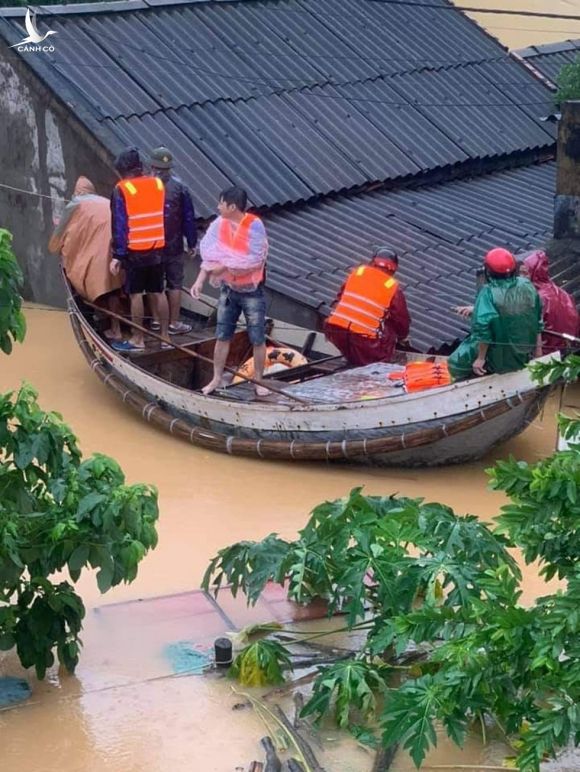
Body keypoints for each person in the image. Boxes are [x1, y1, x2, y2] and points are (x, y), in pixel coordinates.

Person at [190, 186, 269, 396]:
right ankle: (216, 378)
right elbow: (210, 255)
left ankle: (259, 380)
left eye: (221, 203)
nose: (218, 207)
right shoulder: (219, 224)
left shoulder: (254, 226)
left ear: (232, 206)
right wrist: (200, 280)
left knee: (258, 337)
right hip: (229, 289)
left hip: (251, 291)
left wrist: (224, 266)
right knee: (223, 335)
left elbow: (253, 260)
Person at [448, 247, 543, 381]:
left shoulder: (487, 292)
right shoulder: (527, 285)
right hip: (523, 354)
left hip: (499, 358)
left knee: (455, 364)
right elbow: (537, 319)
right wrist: (538, 351)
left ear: (488, 271)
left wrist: (480, 359)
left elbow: (483, 329)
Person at [49, 176, 124, 341]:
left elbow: (61, 234)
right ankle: (119, 323)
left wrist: (55, 244)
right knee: (115, 288)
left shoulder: (75, 205)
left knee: (105, 289)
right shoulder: (105, 201)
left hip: (101, 253)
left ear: (77, 192)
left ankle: (115, 329)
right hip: (119, 250)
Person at [110, 147, 170, 351]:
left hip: (136, 250)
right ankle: (165, 337)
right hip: (157, 248)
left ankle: (138, 339)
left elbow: (120, 225)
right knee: (158, 292)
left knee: (136, 295)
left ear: (123, 170)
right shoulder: (158, 183)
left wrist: (118, 256)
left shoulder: (122, 189)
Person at [324, 247, 411, 366]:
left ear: (373, 262)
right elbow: (401, 321)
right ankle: (379, 365)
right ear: (393, 269)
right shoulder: (391, 286)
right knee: (389, 330)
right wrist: (401, 337)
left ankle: (351, 359)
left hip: (334, 331)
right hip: (364, 340)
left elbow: (340, 297)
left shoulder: (358, 272)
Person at [149, 146, 197, 335]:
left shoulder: (143, 186)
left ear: (151, 166)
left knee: (154, 283)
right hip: (173, 244)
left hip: (150, 245)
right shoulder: (180, 188)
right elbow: (188, 218)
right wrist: (192, 243)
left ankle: (154, 320)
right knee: (175, 283)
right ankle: (174, 323)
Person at [520, 250, 579, 355]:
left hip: (549, 350)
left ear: (535, 273)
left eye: (525, 273)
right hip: (570, 346)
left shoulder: (535, 297)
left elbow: (532, 329)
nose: (521, 278)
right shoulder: (559, 291)